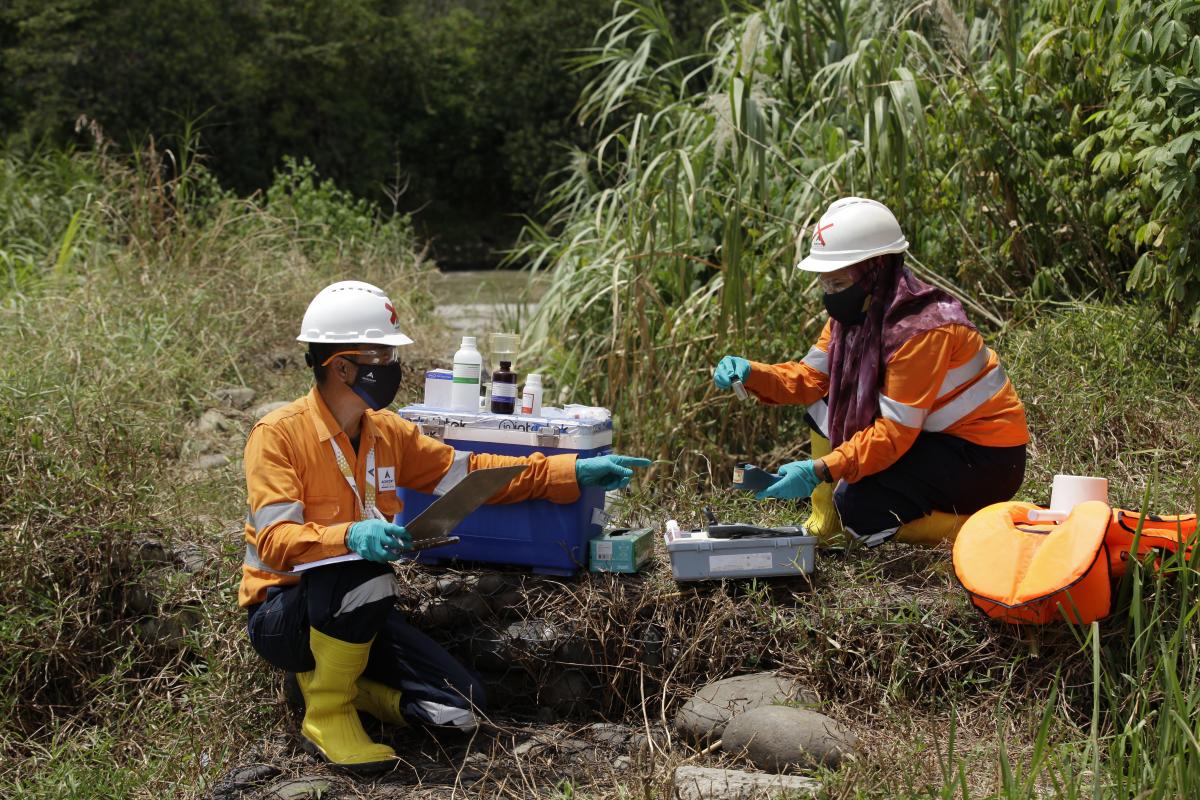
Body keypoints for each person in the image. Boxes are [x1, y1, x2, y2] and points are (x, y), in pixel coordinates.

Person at [239, 280, 649, 772]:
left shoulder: (389, 433)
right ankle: (328, 714)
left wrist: (572, 471)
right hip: (285, 614)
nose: (392, 367)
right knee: (366, 573)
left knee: (461, 707)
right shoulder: (278, 436)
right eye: (382, 355)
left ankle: (332, 683)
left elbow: (471, 474)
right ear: (341, 365)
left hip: (357, 612)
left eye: (392, 354)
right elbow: (276, 542)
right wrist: (350, 535)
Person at [714, 198, 1028, 546]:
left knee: (859, 507)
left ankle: (988, 527)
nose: (831, 296)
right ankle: (827, 521)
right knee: (828, 402)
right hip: (931, 439)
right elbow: (810, 380)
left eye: (839, 283)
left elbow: (894, 432)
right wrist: (751, 373)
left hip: (983, 457)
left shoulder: (920, 330)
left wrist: (820, 469)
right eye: (825, 285)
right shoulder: (852, 319)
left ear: (875, 269)